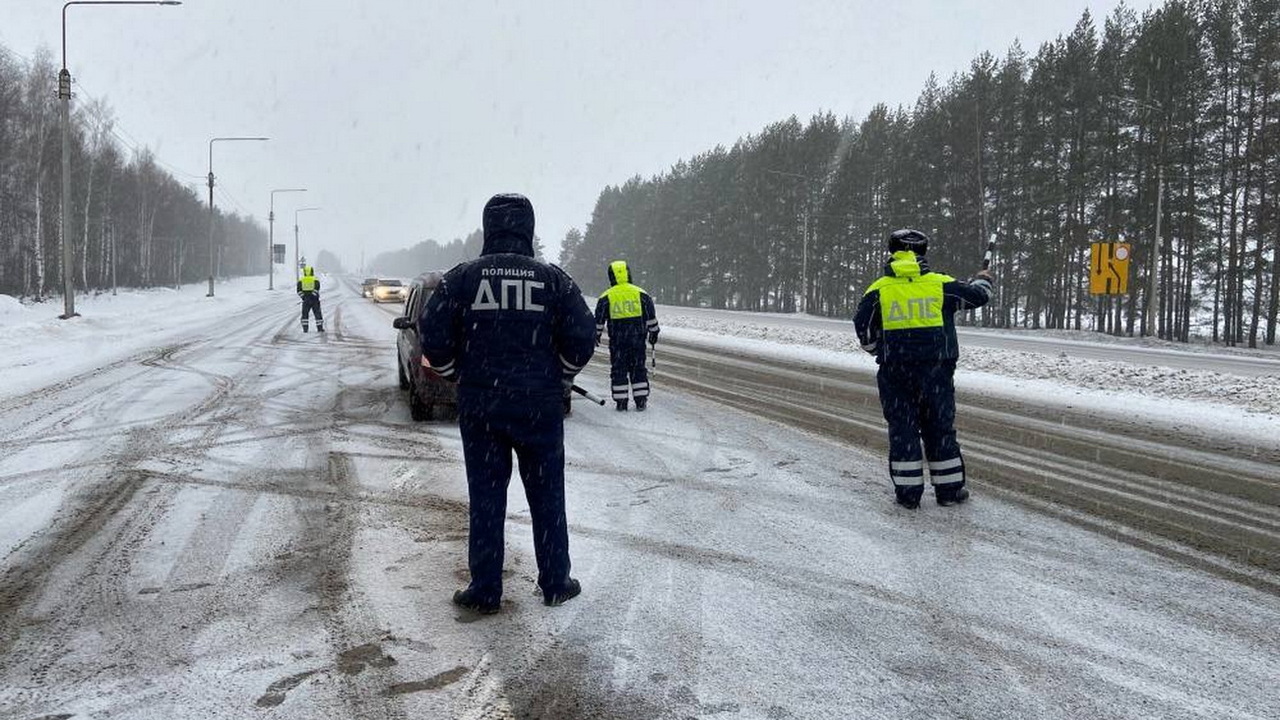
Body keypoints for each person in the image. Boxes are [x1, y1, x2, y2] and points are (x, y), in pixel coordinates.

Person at [419, 193, 596, 614]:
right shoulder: (553, 279)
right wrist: (561, 375)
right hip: (539, 407)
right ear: (528, 229)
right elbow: (583, 336)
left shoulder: (461, 278)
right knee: (548, 497)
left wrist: (457, 375)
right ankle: (555, 582)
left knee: (486, 499)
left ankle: (485, 589)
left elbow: (433, 336)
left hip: (482, 407)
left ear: (488, 228)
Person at [853, 229, 992, 509]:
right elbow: (978, 297)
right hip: (936, 373)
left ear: (892, 252)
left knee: (903, 430)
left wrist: (881, 352)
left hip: (895, 373)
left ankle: (908, 496)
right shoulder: (941, 285)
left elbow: (864, 329)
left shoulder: (879, 289)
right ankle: (949, 492)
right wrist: (983, 279)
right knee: (939, 429)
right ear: (923, 252)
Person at [594, 260, 660, 411]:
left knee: (619, 370)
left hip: (617, 342)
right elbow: (651, 316)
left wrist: (596, 335)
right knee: (638, 369)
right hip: (638, 340)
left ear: (611, 277)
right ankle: (641, 400)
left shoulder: (606, 296)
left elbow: (598, 321)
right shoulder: (641, 293)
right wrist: (654, 332)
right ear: (628, 273)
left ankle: (621, 401)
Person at [297, 265, 324, 333]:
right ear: (312, 271)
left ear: (305, 272)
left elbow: (299, 290)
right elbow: (317, 288)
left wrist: (304, 297)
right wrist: (313, 296)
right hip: (315, 300)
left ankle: (305, 329)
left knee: (305, 314)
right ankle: (319, 328)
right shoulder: (315, 279)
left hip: (306, 301)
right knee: (317, 314)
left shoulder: (301, 280)